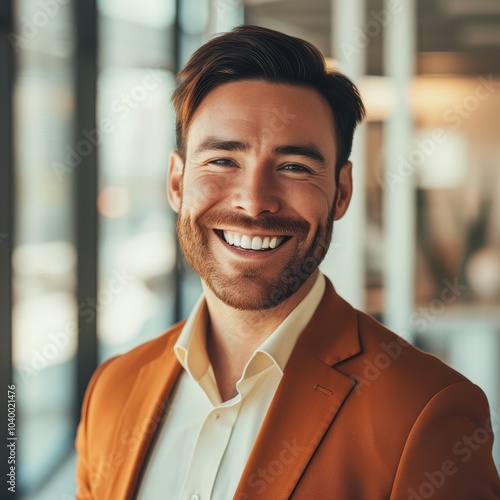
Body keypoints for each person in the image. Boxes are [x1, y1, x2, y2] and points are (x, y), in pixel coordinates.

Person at [75, 25, 500, 499]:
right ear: (176, 182)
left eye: (294, 167)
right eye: (222, 161)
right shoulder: (111, 390)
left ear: (341, 192)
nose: (254, 202)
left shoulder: (426, 413)